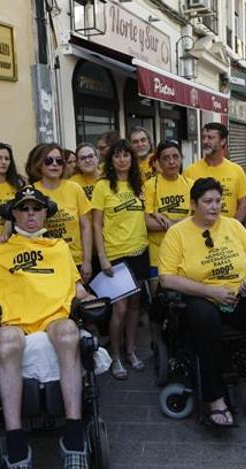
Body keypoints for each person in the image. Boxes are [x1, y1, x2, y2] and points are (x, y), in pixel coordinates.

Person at [0, 185, 95, 469]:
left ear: (45, 213)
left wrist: (94, 300)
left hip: (54, 318)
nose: (30, 214)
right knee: (8, 342)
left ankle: (75, 440)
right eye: (23, 208)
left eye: (36, 208)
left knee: (69, 332)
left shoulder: (59, 247)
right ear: (13, 213)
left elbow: (77, 289)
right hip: (15, 322)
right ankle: (16, 451)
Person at [160, 178, 246, 426]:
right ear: (193, 204)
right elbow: (166, 279)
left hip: (238, 297)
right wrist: (210, 291)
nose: (215, 207)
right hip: (202, 299)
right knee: (205, 319)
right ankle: (215, 398)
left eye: (218, 201)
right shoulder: (177, 234)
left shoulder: (234, 226)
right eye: (208, 202)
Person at [91, 139, 149, 379]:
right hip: (115, 255)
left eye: (127, 155)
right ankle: (115, 357)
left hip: (140, 251)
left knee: (135, 306)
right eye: (117, 155)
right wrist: (102, 257)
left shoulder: (139, 184)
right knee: (120, 307)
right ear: (110, 160)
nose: (122, 159)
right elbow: (96, 224)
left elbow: (145, 214)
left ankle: (131, 351)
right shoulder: (103, 186)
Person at [28, 143, 94, 283]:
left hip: (75, 259)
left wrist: (87, 260)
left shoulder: (74, 188)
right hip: (46, 260)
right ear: (39, 164)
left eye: (59, 161)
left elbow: (86, 227)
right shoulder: (31, 191)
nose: (54, 164)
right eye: (48, 160)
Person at [144, 139, 191, 290]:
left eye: (175, 157)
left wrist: (166, 222)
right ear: (158, 162)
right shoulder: (149, 185)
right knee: (159, 302)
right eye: (166, 158)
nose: (171, 161)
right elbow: (148, 223)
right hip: (157, 255)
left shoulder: (192, 184)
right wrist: (183, 222)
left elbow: (198, 220)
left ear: (181, 158)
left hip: (186, 254)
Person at [183, 122, 246, 222]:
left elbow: (243, 203)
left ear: (223, 141)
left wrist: (233, 227)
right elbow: (187, 205)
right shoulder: (190, 171)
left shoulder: (236, 170)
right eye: (203, 137)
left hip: (227, 232)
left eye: (210, 138)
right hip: (199, 230)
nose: (205, 141)